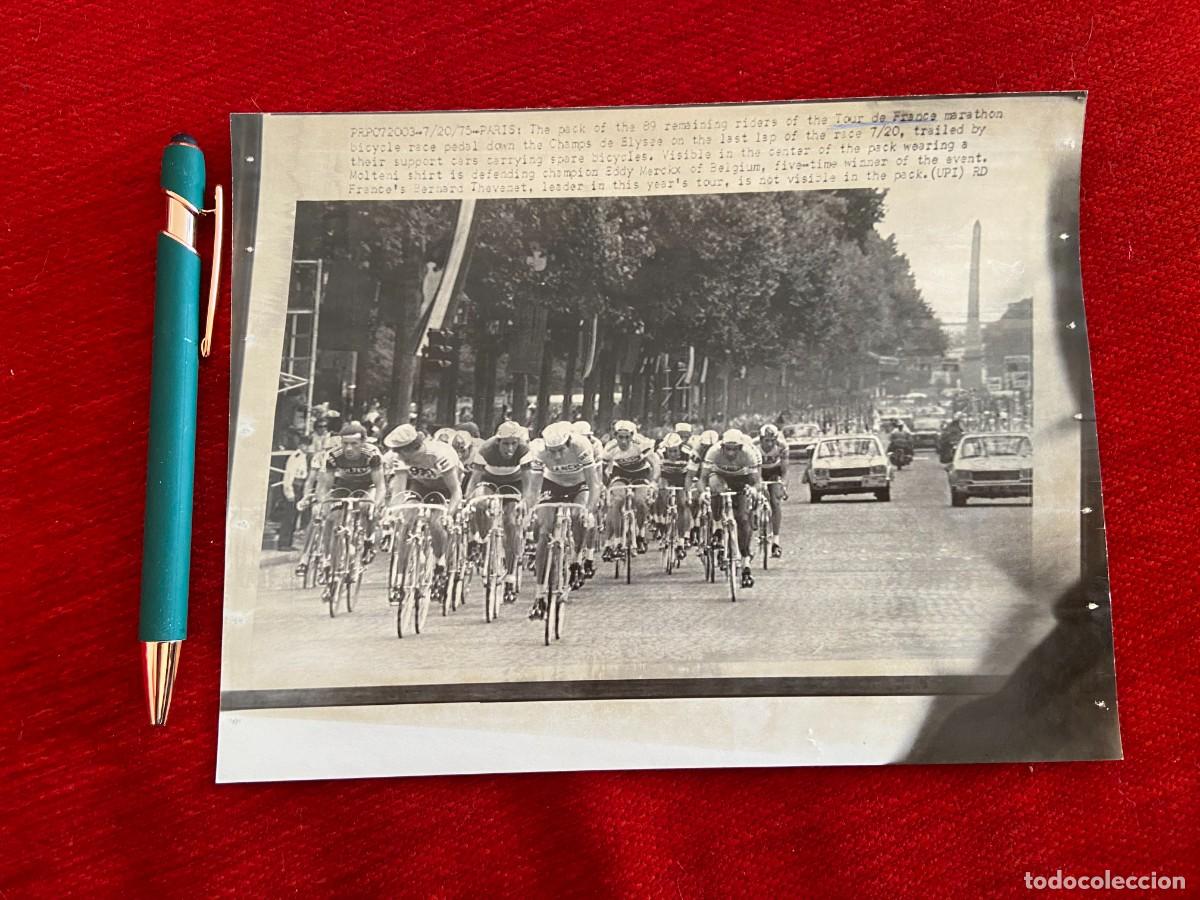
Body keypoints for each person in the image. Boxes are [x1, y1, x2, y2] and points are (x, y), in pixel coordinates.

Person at [524, 421, 601, 618]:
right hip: (553, 484)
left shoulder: (581, 445)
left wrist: (589, 511)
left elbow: (594, 484)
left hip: (579, 484)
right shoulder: (539, 450)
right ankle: (540, 594)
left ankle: (575, 560)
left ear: (568, 444)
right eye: (553, 451)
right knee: (544, 532)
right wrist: (530, 510)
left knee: (578, 516)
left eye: (560, 451)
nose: (557, 456)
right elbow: (533, 489)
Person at [383, 423, 463, 598]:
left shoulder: (440, 455)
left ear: (411, 449)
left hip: (445, 488)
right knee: (405, 523)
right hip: (419, 486)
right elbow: (400, 492)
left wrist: (449, 515)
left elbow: (456, 491)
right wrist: (393, 514)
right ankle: (400, 580)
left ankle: (440, 561)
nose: (396, 455)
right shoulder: (401, 457)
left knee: (436, 523)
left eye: (399, 452)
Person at [464, 420, 532, 603]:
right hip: (490, 481)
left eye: (513, 444)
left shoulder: (524, 450)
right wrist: (468, 498)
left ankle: (510, 576)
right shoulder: (486, 449)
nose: (510, 448)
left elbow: (528, 483)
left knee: (511, 522)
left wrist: (525, 501)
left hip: (514, 484)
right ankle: (483, 540)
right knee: (479, 504)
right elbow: (474, 479)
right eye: (506, 444)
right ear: (497, 442)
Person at [704, 429, 761, 589]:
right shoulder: (713, 452)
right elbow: (703, 478)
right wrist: (703, 493)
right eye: (727, 448)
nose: (730, 452)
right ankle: (717, 528)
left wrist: (754, 489)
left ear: (740, 448)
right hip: (720, 478)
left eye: (734, 449)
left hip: (741, 482)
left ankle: (746, 564)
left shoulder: (748, 454)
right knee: (714, 486)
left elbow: (756, 481)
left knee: (743, 518)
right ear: (722, 447)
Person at [317, 422, 386, 556]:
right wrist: (323, 505)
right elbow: (326, 486)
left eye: (354, 444)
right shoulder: (334, 455)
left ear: (363, 442)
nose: (348, 448)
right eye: (345, 443)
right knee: (332, 516)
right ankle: (327, 557)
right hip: (345, 484)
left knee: (366, 506)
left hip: (367, 484)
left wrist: (376, 505)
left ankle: (368, 539)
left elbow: (380, 486)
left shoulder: (372, 453)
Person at [601, 420, 660, 558]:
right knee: (617, 500)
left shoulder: (641, 443)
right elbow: (601, 470)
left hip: (641, 473)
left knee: (640, 501)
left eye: (627, 437)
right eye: (620, 437)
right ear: (615, 436)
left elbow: (655, 464)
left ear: (632, 436)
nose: (623, 441)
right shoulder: (610, 447)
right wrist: (606, 485)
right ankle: (617, 540)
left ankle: (640, 534)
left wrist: (653, 482)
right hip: (620, 473)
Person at [571, 420, 606, 578]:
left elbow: (597, 472)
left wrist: (598, 492)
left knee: (589, 517)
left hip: (588, 480)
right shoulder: (569, 446)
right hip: (570, 479)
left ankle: (590, 557)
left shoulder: (596, 445)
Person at [656, 432, 697, 561]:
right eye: (670, 451)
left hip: (682, 477)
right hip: (666, 475)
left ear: (680, 448)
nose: (672, 454)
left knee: (682, 503)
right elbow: (657, 473)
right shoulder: (659, 453)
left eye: (675, 451)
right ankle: (662, 523)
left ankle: (681, 541)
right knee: (662, 495)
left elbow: (691, 474)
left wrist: (688, 489)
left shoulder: (688, 453)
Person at [753, 423, 788, 558]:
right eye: (766, 440)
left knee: (775, 502)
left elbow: (785, 470)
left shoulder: (782, 446)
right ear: (761, 439)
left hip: (774, 471)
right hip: (757, 470)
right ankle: (754, 514)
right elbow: (754, 470)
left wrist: (783, 486)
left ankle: (776, 542)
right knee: (754, 494)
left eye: (772, 441)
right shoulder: (753, 445)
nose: (769, 444)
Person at [276, 445, 309, 551]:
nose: (307, 447)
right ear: (300, 445)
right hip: (293, 487)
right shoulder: (296, 456)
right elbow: (289, 475)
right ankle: (283, 543)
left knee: (294, 516)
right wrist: (289, 492)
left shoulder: (304, 456)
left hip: (300, 487)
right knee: (288, 517)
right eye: (305, 444)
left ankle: (289, 542)